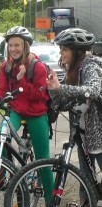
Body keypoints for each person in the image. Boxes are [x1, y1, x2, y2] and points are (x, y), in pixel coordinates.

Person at [0, 26, 54, 204]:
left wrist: (22, 78)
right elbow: (2, 89)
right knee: (2, 137)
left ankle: (51, 200)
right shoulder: (5, 67)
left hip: (36, 113)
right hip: (16, 110)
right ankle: (4, 175)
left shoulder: (37, 67)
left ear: (26, 46)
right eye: (11, 45)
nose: (13, 49)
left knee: (42, 159)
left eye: (17, 45)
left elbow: (40, 95)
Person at [47, 27, 100, 204]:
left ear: (76, 51)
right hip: (83, 137)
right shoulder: (72, 70)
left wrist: (61, 89)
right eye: (60, 49)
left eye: (65, 49)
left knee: (88, 179)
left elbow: (93, 90)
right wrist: (52, 88)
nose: (61, 53)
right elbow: (62, 102)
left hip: (99, 137)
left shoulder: (89, 65)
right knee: (85, 181)